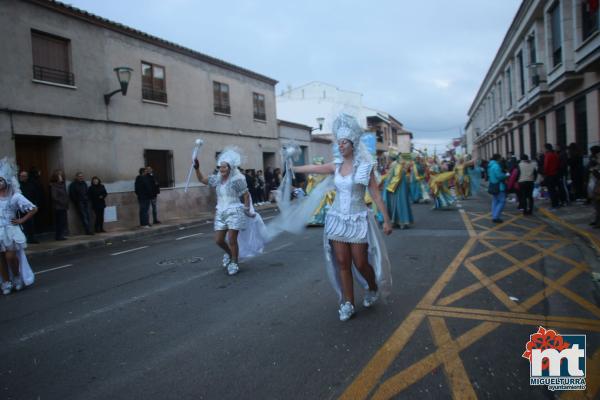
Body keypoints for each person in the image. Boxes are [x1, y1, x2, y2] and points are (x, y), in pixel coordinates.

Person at [285, 114, 393, 321]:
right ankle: (348, 302)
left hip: (358, 218)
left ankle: (372, 287)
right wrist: (293, 168)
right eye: (339, 142)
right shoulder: (335, 166)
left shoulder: (365, 167)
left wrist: (386, 220)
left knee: (360, 262)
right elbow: (313, 168)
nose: (340, 146)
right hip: (336, 219)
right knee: (343, 262)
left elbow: (376, 195)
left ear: (353, 144)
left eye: (344, 142)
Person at [194, 148, 253, 276]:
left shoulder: (237, 180)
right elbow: (202, 180)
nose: (222, 169)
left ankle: (234, 262)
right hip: (220, 211)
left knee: (232, 239)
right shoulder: (217, 179)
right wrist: (197, 168)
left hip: (235, 210)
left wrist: (246, 209)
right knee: (218, 240)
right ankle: (229, 253)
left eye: (224, 167)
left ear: (230, 167)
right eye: (220, 167)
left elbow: (246, 195)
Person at [0, 158, 37, 295]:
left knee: (10, 257)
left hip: (11, 230)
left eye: (0, 180)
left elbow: (33, 208)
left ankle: (16, 277)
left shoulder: (15, 197)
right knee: (1, 258)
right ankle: (5, 282)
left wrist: (22, 220)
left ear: (6, 181)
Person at [17, 170, 40, 243]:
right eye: (20, 176)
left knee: (30, 223)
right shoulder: (17, 186)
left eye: (23, 176)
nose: (22, 177)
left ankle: (31, 238)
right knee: (22, 224)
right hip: (19, 208)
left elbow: (35, 195)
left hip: (29, 207)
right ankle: (23, 238)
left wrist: (35, 204)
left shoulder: (31, 185)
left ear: (27, 177)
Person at [488, 154, 507, 223]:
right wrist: (506, 175)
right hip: (499, 186)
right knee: (502, 201)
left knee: (495, 201)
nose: (501, 159)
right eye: (500, 158)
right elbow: (499, 176)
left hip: (493, 184)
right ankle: (496, 216)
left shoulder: (490, 165)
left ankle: (494, 215)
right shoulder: (496, 166)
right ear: (498, 158)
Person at [50, 170, 69, 240]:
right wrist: (62, 202)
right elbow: (54, 197)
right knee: (60, 222)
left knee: (63, 222)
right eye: (60, 176)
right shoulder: (54, 186)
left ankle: (61, 235)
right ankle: (59, 235)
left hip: (63, 206)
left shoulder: (62, 185)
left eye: (61, 176)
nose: (61, 178)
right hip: (58, 207)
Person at [543, 144, 561, 209]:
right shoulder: (555, 155)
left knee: (551, 190)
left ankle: (554, 205)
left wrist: (545, 173)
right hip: (555, 174)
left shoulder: (548, 155)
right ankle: (556, 203)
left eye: (544, 148)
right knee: (555, 190)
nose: (543, 150)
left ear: (547, 149)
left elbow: (546, 166)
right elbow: (558, 164)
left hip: (549, 174)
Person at [588, 146, 600, 228]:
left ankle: (598, 222)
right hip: (595, 184)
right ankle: (596, 220)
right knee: (596, 204)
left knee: (598, 204)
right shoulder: (597, 164)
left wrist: (594, 171)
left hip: (598, 186)